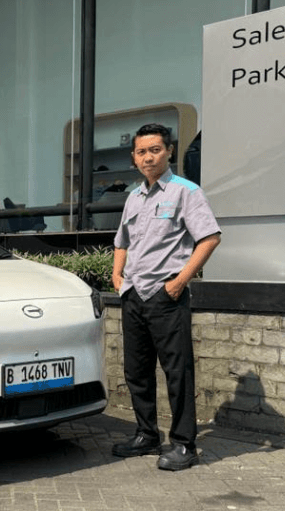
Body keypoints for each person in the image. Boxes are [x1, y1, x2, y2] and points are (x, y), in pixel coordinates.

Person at [111, 123, 221, 471]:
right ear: (134, 157)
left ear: (169, 151)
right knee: (136, 371)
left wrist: (180, 282)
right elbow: (121, 242)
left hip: (166, 296)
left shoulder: (186, 192)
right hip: (134, 295)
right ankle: (146, 435)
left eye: (155, 150)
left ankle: (185, 444)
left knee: (177, 372)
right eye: (141, 152)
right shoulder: (133, 197)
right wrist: (117, 276)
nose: (148, 157)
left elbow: (209, 238)